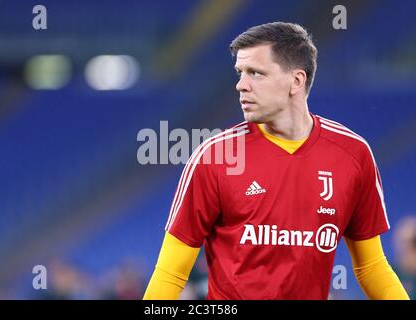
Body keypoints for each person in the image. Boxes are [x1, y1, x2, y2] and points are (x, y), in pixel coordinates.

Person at [143, 22, 409, 300]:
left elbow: (371, 267)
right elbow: (171, 274)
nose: (240, 85)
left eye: (255, 73)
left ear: (296, 80)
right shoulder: (215, 156)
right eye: (240, 73)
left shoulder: (353, 154)